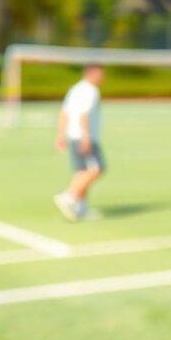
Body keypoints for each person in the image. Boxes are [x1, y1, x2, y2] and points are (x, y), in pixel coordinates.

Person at [54, 63, 106, 221]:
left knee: (81, 171)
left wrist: (61, 135)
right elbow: (83, 114)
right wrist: (86, 137)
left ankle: (79, 208)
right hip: (85, 137)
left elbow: (64, 112)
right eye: (100, 74)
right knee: (97, 169)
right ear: (92, 73)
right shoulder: (90, 90)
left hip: (73, 135)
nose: (102, 77)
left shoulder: (75, 89)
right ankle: (70, 196)